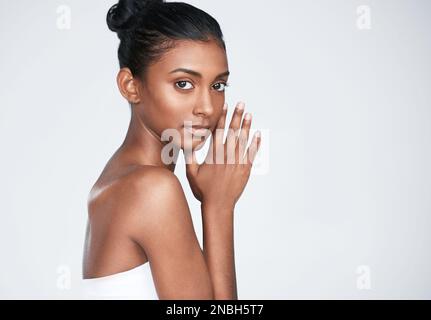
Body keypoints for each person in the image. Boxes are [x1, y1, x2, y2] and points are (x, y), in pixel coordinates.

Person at [82, 0, 262, 300]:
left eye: (218, 86)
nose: (207, 108)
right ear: (130, 85)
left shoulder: (121, 179)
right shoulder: (151, 189)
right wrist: (218, 207)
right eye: (183, 83)